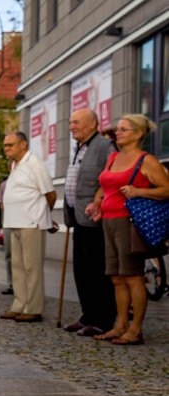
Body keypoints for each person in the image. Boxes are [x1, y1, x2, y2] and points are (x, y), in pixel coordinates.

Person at [86, 115, 169, 345]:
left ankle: (135, 329)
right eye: (117, 129)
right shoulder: (113, 157)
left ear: (138, 133)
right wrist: (97, 203)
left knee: (133, 277)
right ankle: (120, 325)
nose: (117, 133)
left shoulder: (146, 160)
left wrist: (139, 191)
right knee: (116, 277)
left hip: (129, 223)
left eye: (123, 129)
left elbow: (166, 190)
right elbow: (104, 187)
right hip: (108, 221)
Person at [62, 108, 116, 336]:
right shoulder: (79, 146)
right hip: (77, 217)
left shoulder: (104, 147)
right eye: (70, 122)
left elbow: (109, 178)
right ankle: (88, 315)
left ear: (93, 124)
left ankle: (103, 319)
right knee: (82, 271)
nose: (71, 126)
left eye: (76, 122)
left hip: (96, 218)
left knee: (97, 271)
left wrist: (99, 201)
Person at [0, 132, 56, 323]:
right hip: (14, 221)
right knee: (17, 267)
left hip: (31, 222)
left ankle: (33, 307)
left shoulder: (35, 164)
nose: (6, 148)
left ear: (23, 144)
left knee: (32, 267)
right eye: (5, 145)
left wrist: (45, 216)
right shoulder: (15, 164)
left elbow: (50, 194)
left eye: (10, 145)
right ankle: (19, 303)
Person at [0, 177, 14, 294]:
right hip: (8, 221)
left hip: (25, 221)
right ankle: (11, 283)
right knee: (9, 254)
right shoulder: (4, 185)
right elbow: (1, 205)